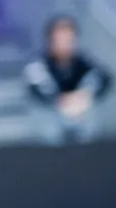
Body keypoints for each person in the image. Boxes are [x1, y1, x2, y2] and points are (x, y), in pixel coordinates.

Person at [23, 15, 111, 144]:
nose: (65, 44)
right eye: (60, 39)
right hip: (49, 123)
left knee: (89, 88)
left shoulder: (82, 63)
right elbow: (40, 90)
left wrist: (83, 95)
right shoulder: (37, 66)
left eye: (69, 39)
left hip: (80, 118)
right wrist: (63, 101)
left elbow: (104, 78)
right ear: (50, 40)